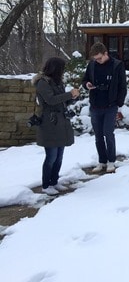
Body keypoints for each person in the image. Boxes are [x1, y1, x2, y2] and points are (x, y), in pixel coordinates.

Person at [32, 57, 80, 195]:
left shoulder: (58, 82)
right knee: (51, 156)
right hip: (49, 123)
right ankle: (46, 185)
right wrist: (68, 94)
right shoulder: (43, 82)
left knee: (59, 156)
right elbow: (51, 100)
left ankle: (54, 181)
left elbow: (62, 102)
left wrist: (72, 97)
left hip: (61, 122)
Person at [82, 42, 127, 174]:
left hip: (110, 105)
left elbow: (122, 86)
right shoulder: (91, 65)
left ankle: (111, 161)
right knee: (98, 136)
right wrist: (87, 85)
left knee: (108, 133)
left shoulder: (117, 65)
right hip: (95, 105)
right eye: (95, 59)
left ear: (106, 53)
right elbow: (84, 80)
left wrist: (119, 102)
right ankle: (102, 161)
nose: (98, 61)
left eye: (100, 58)